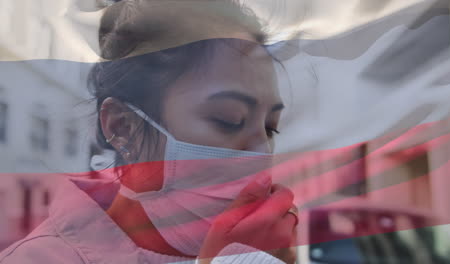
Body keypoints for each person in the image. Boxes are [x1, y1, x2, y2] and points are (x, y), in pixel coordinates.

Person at [0, 0, 298, 263]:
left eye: (270, 129)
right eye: (228, 120)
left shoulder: (262, 248)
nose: (262, 158)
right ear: (122, 127)